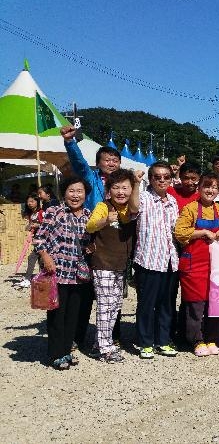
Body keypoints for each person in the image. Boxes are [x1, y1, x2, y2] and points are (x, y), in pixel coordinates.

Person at [60, 125, 123, 350]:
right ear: (98, 163)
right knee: (84, 292)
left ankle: (113, 335)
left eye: (115, 160)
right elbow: (78, 163)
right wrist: (70, 142)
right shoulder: (90, 177)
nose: (111, 163)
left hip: (115, 243)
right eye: (107, 160)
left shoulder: (123, 183)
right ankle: (77, 336)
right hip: (91, 239)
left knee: (114, 292)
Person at [33, 177, 93, 370]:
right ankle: (56, 354)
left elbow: (89, 241)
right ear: (64, 193)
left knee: (73, 315)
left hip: (78, 276)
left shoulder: (88, 215)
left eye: (79, 191)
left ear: (85, 194)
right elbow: (39, 238)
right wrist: (46, 257)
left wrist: (90, 247)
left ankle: (66, 350)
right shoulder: (55, 212)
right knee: (57, 315)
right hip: (57, 272)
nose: (75, 195)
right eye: (71, 191)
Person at [85, 169, 141, 363]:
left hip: (120, 265)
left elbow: (134, 209)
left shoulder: (129, 209)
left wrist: (137, 182)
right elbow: (90, 226)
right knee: (105, 305)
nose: (121, 192)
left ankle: (99, 344)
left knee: (115, 306)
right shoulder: (103, 206)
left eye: (125, 188)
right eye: (116, 187)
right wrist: (105, 220)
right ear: (109, 190)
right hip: (103, 263)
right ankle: (105, 348)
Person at [174, 174, 219, 357]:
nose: (210, 190)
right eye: (207, 186)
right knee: (195, 304)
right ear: (199, 188)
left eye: (214, 187)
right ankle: (196, 339)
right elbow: (180, 233)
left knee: (215, 302)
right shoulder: (190, 208)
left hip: (216, 265)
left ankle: (212, 338)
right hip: (194, 264)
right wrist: (203, 232)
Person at [133, 162, 180, 360]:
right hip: (149, 259)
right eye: (157, 177)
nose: (162, 180)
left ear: (171, 179)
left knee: (167, 304)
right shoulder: (143, 197)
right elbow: (133, 209)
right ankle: (145, 342)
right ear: (150, 179)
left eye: (166, 177)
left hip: (171, 259)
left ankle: (163, 340)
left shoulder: (173, 201)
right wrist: (136, 183)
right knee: (146, 303)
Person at [16, 194, 43, 289]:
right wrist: (29, 226)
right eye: (28, 202)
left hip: (43, 240)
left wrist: (37, 225)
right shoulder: (32, 214)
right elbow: (29, 226)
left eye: (32, 201)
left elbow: (47, 225)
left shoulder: (41, 213)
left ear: (37, 202)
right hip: (36, 239)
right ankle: (42, 278)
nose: (29, 203)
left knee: (32, 258)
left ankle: (27, 279)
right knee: (40, 260)